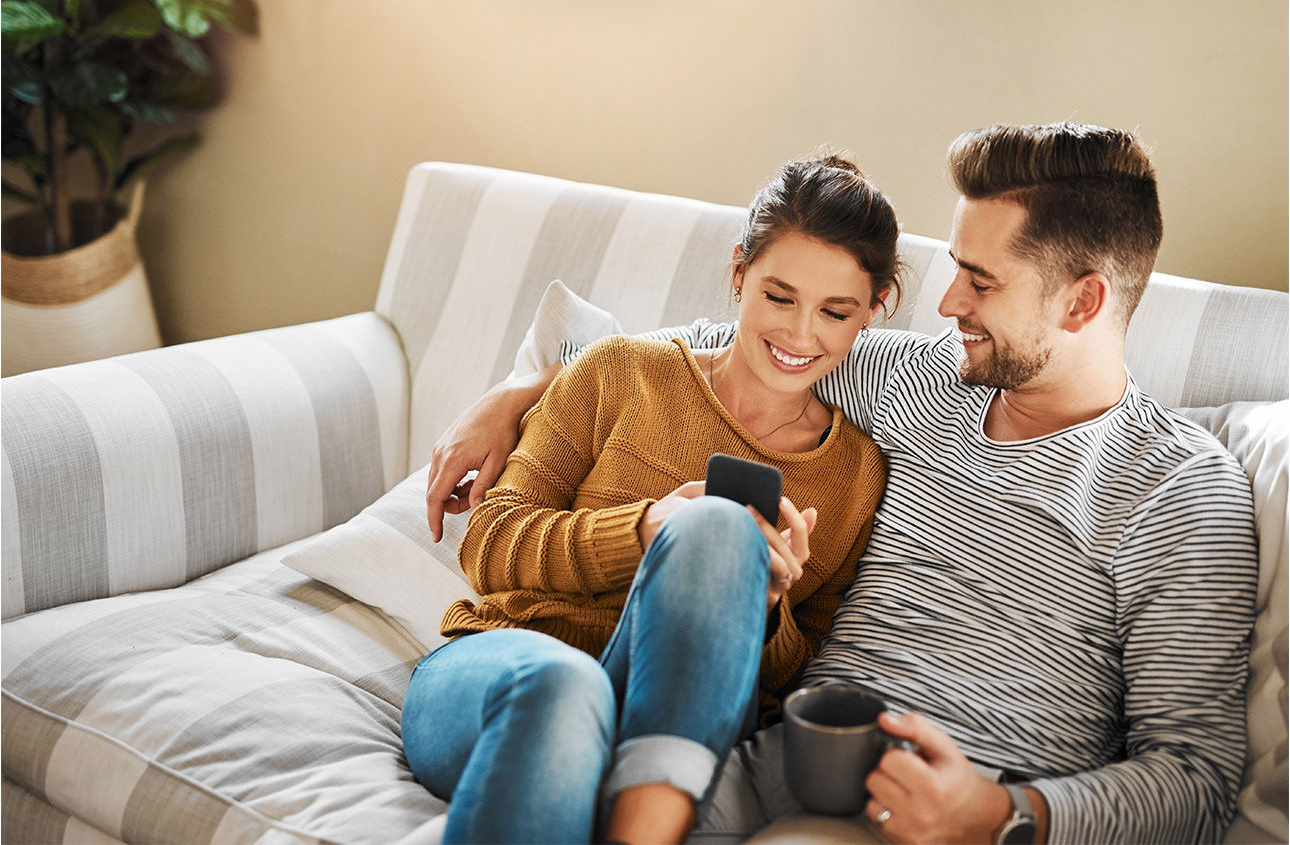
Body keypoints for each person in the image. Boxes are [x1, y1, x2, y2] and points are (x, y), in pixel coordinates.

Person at [424, 122, 1259, 845]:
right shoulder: (920, 380)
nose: (947, 303)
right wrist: (519, 391)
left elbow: (1198, 778)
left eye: (981, 280)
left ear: (1083, 303)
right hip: (773, 756)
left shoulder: (1178, 489)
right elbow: (722, 352)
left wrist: (1008, 815)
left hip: (953, 800)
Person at [402, 153, 905, 844]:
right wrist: (642, 529)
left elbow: (796, 669)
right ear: (738, 273)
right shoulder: (619, 371)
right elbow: (489, 544)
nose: (798, 334)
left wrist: (758, 611)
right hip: (510, 669)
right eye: (778, 296)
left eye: (835, 312)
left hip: (674, 720)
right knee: (563, 685)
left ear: (873, 311)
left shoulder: (853, 473)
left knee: (720, 532)